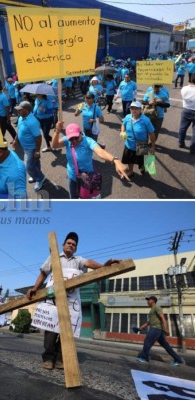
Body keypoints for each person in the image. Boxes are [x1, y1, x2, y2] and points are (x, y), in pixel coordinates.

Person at [26, 232, 120, 370]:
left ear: (76, 249)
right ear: (63, 245)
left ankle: (59, 359)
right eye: (69, 243)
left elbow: (90, 263)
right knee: (51, 331)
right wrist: (35, 288)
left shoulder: (78, 261)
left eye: (74, 245)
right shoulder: (54, 258)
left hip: (71, 301)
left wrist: (104, 266)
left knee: (66, 332)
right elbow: (43, 273)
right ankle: (48, 358)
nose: (71, 245)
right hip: (53, 299)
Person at [51, 122, 129, 199]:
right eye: (71, 139)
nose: (74, 141)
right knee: (73, 198)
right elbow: (54, 145)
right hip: (72, 176)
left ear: (80, 133)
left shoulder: (88, 141)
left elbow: (100, 152)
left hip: (88, 177)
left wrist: (115, 160)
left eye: (76, 137)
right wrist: (57, 131)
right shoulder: (67, 140)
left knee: (86, 197)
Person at [136, 296, 184, 366]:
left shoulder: (156, 307)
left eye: (148, 300)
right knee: (166, 346)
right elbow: (151, 320)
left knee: (147, 342)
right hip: (158, 330)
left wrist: (166, 330)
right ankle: (178, 359)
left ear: (152, 301)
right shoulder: (152, 309)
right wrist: (145, 325)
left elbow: (163, 318)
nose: (147, 301)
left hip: (155, 329)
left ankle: (144, 358)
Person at [13, 101, 46, 191]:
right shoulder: (21, 118)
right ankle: (36, 175)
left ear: (27, 110)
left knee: (28, 167)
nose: (18, 111)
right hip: (25, 146)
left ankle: (40, 178)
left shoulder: (32, 122)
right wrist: (16, 140)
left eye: (20, 110)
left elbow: (38, 137)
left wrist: (37, 152)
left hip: (31, 148)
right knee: (35, 163)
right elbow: (19, 129)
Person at [120, 101, 156, 177]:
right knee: (129, 159)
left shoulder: (146, 120)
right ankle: (131, 171)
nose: (134, 110)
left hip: (141, 144)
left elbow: (151, 134)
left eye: (136, 108)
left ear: (141, 110)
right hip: (129, 144)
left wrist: (153, 146)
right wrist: (122, 131)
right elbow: (123, 124)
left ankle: (141, 167)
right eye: (132, 108)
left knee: (140, 159)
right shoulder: (128, 117)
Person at [178, 74, 195, 154]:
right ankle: (193, 148)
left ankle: (181, 143)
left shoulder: (184, 88)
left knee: (182, 128)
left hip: (186, 110)